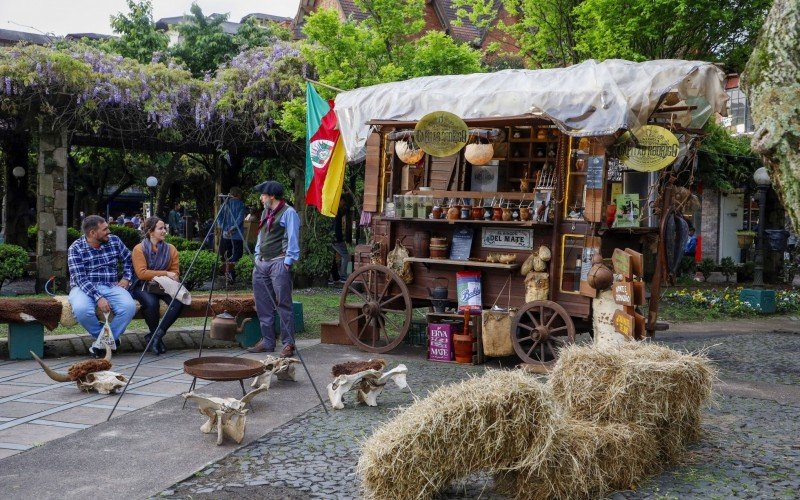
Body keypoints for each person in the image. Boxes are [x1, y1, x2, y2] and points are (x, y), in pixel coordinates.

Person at [67, 215, 137, 357]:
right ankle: (111, 341)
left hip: (111, 285)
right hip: (83, 287)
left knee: (129, 307)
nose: (109, 231)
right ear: (92, 233)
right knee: (82, 310)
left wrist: (126, 277)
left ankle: (101, 344)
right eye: (105, 229)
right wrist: (98, 297)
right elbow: (80, 278)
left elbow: (128, 259)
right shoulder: (75, 248)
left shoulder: (114, 241)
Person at [247, 181, 300, 357]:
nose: (261, 198)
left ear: (271, 196)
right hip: (262, 263)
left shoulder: (289, 212)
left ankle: (288, 344)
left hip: (279, 262)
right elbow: (261, 236)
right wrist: (256, 256)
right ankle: (268, 341)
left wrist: (288, 261)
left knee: (283, 304)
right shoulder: (265, 212)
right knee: (263, 304)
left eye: (263, 195)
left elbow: (293, 237)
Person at [129, 216, 183, 355]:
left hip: (164, 286)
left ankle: (156, 336)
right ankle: (155, 337)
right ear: (150, 231)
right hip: (143, 286)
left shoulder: (171, 249)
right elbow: (142, 274)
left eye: (164, 228)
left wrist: (171, 275)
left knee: (178, 302)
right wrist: (166, 273)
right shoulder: (139, 249)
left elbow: (175, 272)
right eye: (160, 228)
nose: (164, 231)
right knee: (152, 304)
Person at [218, 186, 246, 282]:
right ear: (238, 194)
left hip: (226, 234)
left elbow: (219, 218)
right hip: (237, 234)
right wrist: (233, 228)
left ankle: (228, 273)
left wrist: (225, 228)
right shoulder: (241, 205)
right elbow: (240, 219)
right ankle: (231, 273)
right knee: (237, 254)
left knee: (228, 253)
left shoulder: (225, 204)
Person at [330, 197, 350, 284]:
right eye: (343, 203)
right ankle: (343, 276)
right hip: (337, 238)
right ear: (340, 201)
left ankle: (335, 277)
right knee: (345, 255)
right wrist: (338, 238)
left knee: (332, 258)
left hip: (332, 237)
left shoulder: (332, 210)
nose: (344, 205)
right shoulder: (337, 211)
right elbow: (336, 227)